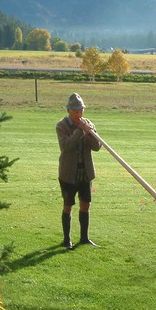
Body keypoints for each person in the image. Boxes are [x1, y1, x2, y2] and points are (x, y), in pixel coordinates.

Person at [56, 92, 102, 249]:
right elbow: (67, 146)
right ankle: (66, 240)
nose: (79, 114)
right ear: (69, 111)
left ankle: (84, 238)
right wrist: (79, 131)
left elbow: (97, 147)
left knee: (85, 204)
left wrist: (90, 132)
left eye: (81, 110)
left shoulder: (88, 123)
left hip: (85, 173)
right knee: (68, 205)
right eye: (76, 111)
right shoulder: (61, 126)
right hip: (68, 174)